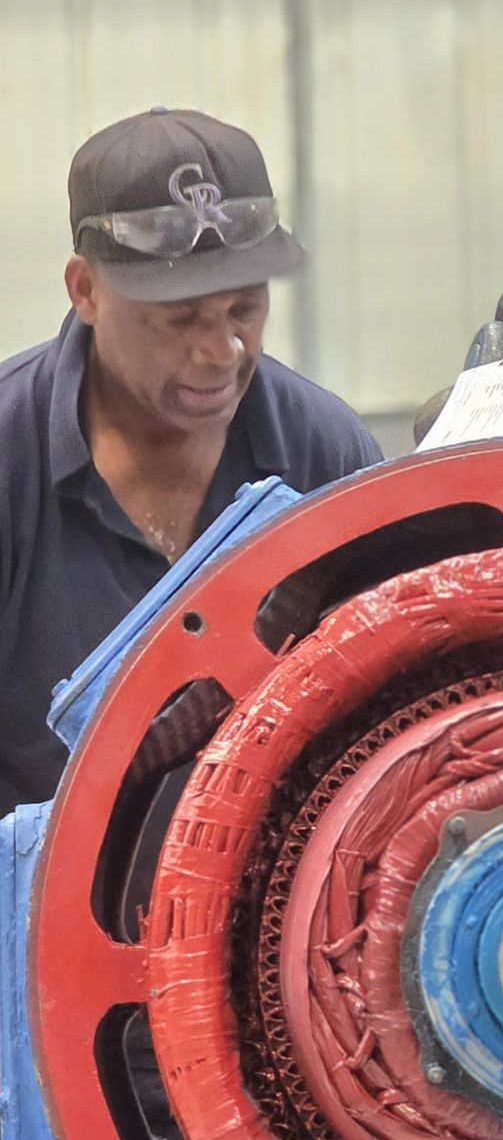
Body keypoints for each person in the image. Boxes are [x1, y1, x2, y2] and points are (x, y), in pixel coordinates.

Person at [0, 106, 383, 818]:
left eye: (245, 310)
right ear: (85, 290)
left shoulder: (323, 452)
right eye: (180, 319)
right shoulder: (8, 457)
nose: (221, 352)